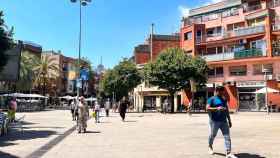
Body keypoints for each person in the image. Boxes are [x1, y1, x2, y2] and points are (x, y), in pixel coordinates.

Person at [207, 86, 237, 158]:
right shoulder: (211, 99)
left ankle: (228, 152)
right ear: (216, 91)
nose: (222, 93)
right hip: (214, 121)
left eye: (222, 91)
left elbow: (226, 110)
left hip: (224, 121)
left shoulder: (224, 99)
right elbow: (207, 108)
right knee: (213, 135)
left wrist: (229, 120)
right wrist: (217, 108)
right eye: (220, 91)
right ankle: (210, 146)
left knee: (227, 136)